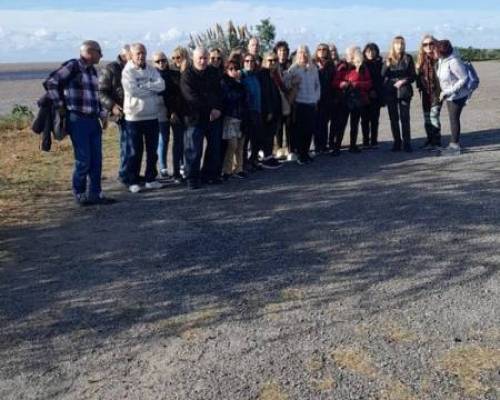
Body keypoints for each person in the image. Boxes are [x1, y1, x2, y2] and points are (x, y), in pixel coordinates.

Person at [46, 40, 114, 205]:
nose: (101, 55)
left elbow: (94, 98)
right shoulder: (73, 67)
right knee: (83, 159)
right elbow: (51, 82)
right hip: (77, 119)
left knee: (96, 159)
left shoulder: (93, 72)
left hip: (92, 120)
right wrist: (61, 105)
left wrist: (103, 115)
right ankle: (80, 193)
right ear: (90, 52)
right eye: (99, 52)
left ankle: (95, 194)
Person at [121, 43, 165, 193]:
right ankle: (132, 180)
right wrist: (151, 87)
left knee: (152, 150)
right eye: (138, 53)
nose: (141, 56)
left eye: (143, 53)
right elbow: (133, 91)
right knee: (134, 151)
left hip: (152, 116)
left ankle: (150, 178)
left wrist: (143, 86)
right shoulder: (127, 72)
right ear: (132, 55)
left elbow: (162, 85)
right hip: (134, 118)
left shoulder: (152, 69)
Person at [180, 47, 223, 189]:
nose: (203, 61)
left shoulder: (213, 73)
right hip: (195, 118)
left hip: (214, 117)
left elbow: (220, 93)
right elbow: (191, 97)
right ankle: (192, 178)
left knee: (214, 148)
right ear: (194, 58)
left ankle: (209, 175)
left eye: (205, 58)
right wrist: (210, 109)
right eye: (200, 58)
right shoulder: (187, 75)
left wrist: (218, 109)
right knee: (193, 150)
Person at [98, 44, 130, 184]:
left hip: (136, 112)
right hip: (121, 112)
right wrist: (112, 106)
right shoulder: (111, 68)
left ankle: (131, 172)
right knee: (126, 144)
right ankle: (124, 174)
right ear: (125, 55)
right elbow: (101, 91)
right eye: (133, 54)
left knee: (134, 145)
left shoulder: (134, 68)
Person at [333, 46, 372, 153]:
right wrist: (341, 84)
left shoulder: (362, 68)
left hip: (357, 98)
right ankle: (336, 147)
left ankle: (353, 145)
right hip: (344, 98)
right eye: (347, 54)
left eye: (350, 53)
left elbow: (369, 83)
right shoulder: (342, 66)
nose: (347, 56)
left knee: (355, 123)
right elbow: (335, 82)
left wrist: (357, 84)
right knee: (341, 123)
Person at [287, 45, 320, 164]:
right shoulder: (294, 68)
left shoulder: (313, 68)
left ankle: (306, 152)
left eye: (305, 52)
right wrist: (292, 82)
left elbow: (317, 85)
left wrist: (316, 98)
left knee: (310, 130)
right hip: (299, 103)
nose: (303, 55)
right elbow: (286, 83)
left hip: (311, 103)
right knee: (300, 130)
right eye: (300, 52)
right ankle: (301, 154)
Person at [382, 36, 416, 152]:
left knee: (405, 118)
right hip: (391, 92)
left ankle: (407, 143)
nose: (399, 46)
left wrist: (403, 81)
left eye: (402, 44)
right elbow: (382, 75)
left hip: (404, 91)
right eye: (397, 43)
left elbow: (413, 76)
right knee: (393, 119)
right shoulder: (388, 58)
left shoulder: (408, 58)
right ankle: (397, 142)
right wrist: (386, 65)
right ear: (393, 45)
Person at [436, 39, 469, 156]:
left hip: (457, 95)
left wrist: (448, 91)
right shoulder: (442, 60)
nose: (434, 52)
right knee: (453, 119)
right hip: (449, 95)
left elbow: (464, 78)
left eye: (436, 50)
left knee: (454, 119)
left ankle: (454, 146)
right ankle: (454, 144)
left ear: (441, 52)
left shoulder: (454, 61)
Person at [220, 58, 248, 180]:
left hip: (242, 117)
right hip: (230, 117)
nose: (234, 71)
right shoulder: (224, 83)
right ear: (226, 70)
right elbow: (230, 98)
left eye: (236, 69)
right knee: (232, 145)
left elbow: (246, 100)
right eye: (230, 69)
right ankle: (226, 170)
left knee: (241, 145)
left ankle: (239, 168)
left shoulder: (241, 84)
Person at [416, 35, 442, 150]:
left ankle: (436, 141)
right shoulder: (421, 59)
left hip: (437, 93)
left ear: (435, 44)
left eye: (431, 43)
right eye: (425, 44)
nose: (428, 46)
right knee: (427, 118)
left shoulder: (440, 58)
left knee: (434, 116)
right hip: (425, 94)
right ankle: (430, 139)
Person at [258, 51, 283, 169]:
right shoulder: (263, 74)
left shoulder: (274, 74)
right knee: (266, 135)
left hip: (275, 109)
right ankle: (266, 159)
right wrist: (268, 110)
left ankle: (269, 156)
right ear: (264, 62)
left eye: (275, 60)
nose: (273, 63)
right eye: (270, 60)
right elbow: (265, 94)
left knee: (271, 134)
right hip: (267, 111)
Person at [241, 53, 263, 171]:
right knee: (245, 140)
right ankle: (243, 163)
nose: (249, 63)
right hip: (247, 111)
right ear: (243, 62)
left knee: (256, 138)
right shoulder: (241, 75)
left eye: (252, 61)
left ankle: (253, 160)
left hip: (257, 110)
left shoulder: (255, 76)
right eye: (247, 61)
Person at [152, 51, 171, 178]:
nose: (161, 63)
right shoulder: (152, 75)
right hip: (159, 109)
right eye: (158, 61)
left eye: (163, 60)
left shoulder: (171, 74)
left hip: (171, 108)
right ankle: (162, 167)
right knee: (162, 139)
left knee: (168, 139)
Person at [314, 43, 336, 154]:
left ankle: (324, 145)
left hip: (328, 97)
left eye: (324, 49)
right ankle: (317, 145)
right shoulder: (313, 64)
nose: (322, 51)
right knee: (317, 122)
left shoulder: (331, 65)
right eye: (319, 49)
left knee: (324, 122)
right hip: (316, 97)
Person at [273, 40, 292, 159]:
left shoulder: (291, 65)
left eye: (284, 51)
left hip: (289, 98)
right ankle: (279, 149)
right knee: (278, 127)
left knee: (289, 125)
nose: (282, 53)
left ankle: (290, 149)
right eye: (280, 50)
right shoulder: (274, 65)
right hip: (277, 100)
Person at [362, 43, 384, 148]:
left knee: (375, 119)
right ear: (365, 53)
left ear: (377, 51)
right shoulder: (362, 64)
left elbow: (381, 79)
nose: (371, 53)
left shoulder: (380, 63)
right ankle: (366, 141)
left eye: (373, 51)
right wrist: (369, 90)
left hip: (377, 95)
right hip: (365, 95)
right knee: (365, 120)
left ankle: (374, 141)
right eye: (368, 51)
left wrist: (377, 91)